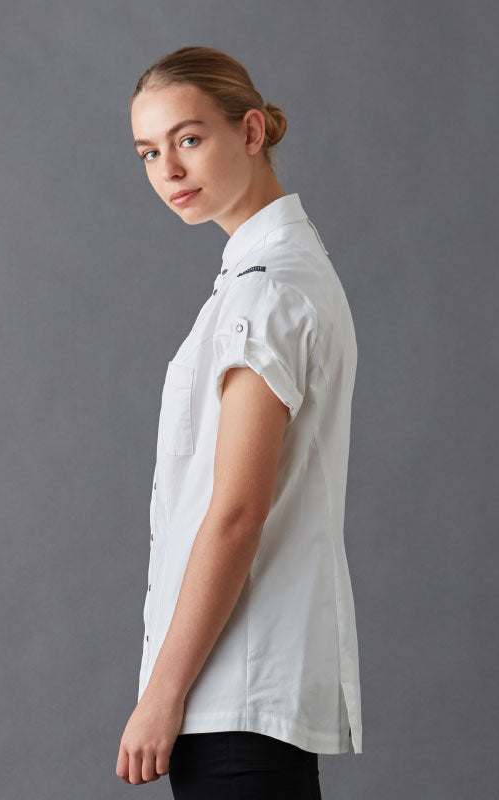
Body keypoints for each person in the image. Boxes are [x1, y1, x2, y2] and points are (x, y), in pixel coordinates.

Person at [116, 46, 363, 799]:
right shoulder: (271, 276)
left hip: (236, 700)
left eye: (189, 139)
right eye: (149, 152)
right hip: (241, 697)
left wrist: (161, 694)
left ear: (251, 131)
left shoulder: (267, 292)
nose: (169, 170)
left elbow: (236, 511)